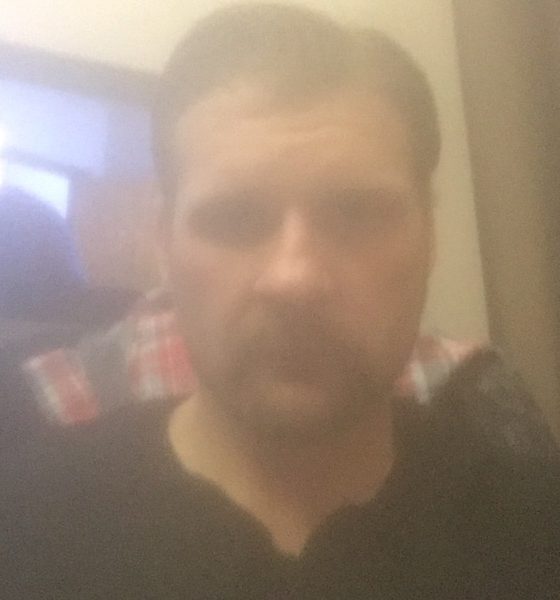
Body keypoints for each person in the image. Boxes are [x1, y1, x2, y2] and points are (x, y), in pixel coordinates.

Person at [2, 4, 559, 599]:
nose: (296, 279)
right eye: (234, 219)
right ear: (165, 246)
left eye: (358, 213)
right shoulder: (26, 526)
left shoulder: (531, 524)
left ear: (430, 236)